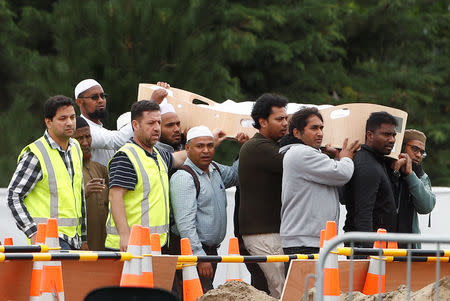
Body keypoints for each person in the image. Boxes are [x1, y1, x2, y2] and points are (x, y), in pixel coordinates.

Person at [279, 107, 359, 272]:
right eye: (314, 128)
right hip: (305, 242)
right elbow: (342, 173)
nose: (320, 133)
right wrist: (346, 157)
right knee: (305, 295)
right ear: (297, 132)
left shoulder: (306, 154)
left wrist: (336, 158)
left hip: (311, 239)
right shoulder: (301, 153)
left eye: (321, 128)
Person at [170, 126, 248, 292]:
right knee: (198, 294)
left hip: (211, 252)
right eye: (200, 146)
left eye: (210, 146)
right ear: (187, 148)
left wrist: (245, 148)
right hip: (196, 254)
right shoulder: (184, 177)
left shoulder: (215, 169)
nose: (206, 150)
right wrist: (200, 257)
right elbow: (185, 225)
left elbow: (236, 174)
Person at [104, 100, 188, 251]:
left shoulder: (158, 154)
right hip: (130, 246)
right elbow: (115, 197)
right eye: (151, 123)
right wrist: (125, 235)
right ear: (135, 125)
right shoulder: (126, 156)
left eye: (158, 122)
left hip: (154, 244)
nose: (156, 128)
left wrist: (204, 143)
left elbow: (179, 158)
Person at [7, 95, 87, 250]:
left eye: (72, 117)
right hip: (49, 241)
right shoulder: (36, 154)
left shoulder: (76, 147)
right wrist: (33, 232)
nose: (70, 122)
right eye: (63, 118)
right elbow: (13, 196)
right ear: (48, 122)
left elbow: (80, 196)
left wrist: (83, 238)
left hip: (74, 240)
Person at [238, 93, 289, 299]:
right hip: (264, 234)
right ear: (262, 122)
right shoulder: (259, 147)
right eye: (279, 119)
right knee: (282, 291)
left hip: (268, 232)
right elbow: (298, 164)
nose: (285, 123)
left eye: (287, 118)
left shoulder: (267, 146)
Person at [75, 79, 170, 166]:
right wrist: (152, 103)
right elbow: (118, 140)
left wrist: (161, 94)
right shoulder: (83, 130)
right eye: (94, 97)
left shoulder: (100, 128)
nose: (100, 100)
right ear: (79, 102)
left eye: (103, 96)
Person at [343, 111, 398, 247]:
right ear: (370, 135)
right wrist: (367, 252)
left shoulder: (378, 161)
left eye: (393, 135)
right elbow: (363, 212)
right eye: (386, 134)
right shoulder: (367, 164)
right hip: (367, 249)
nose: (392, 139)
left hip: (374, 246)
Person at [390, 129, 436, 248]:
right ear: (402, 147)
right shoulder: (387, 168)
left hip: (410, 250)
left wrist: (410, 175)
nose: (419, 155)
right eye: (415, 149)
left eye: (422, 152)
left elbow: (426, 207)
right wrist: (395, 172)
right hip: (384, 247)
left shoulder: (421, 176)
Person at [73, 117, 109, 250]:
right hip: (81, 246)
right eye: (79, 138)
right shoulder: (68, 170)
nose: (85, 143)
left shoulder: (100, 169)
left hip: (106, 246)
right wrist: (84, 193)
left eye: (88, 137)